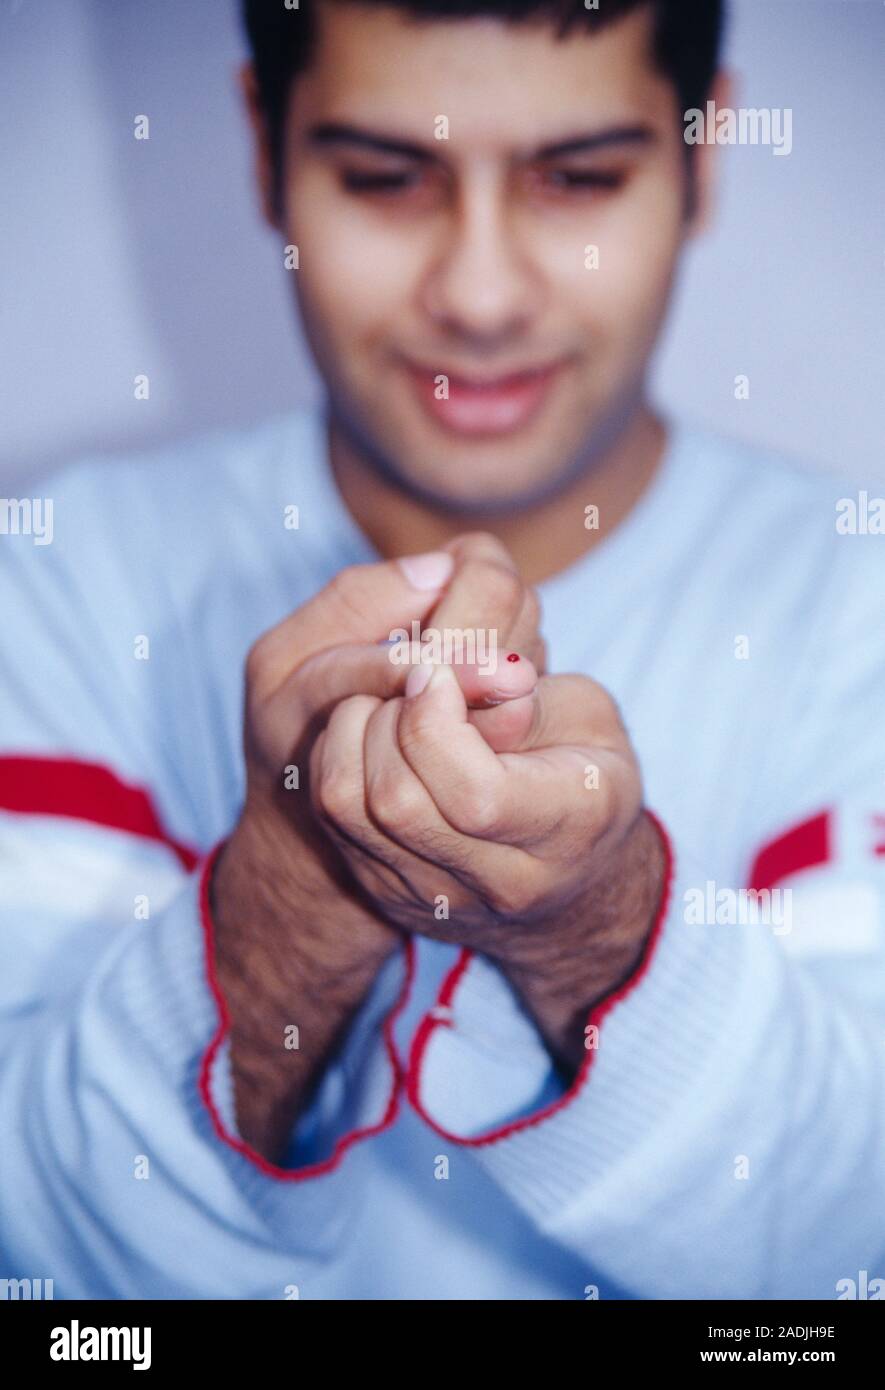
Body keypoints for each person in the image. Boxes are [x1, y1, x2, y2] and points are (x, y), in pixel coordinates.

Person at [1, 0, 883, 1301]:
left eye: (577, 178)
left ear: (702, 156)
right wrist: (295, 884)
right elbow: (43, 1261)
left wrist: (599, 925)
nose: (478, 294)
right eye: (383, 177)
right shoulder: (55, 571)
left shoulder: (858, 600)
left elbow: (836, 1253)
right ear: (263, 148)